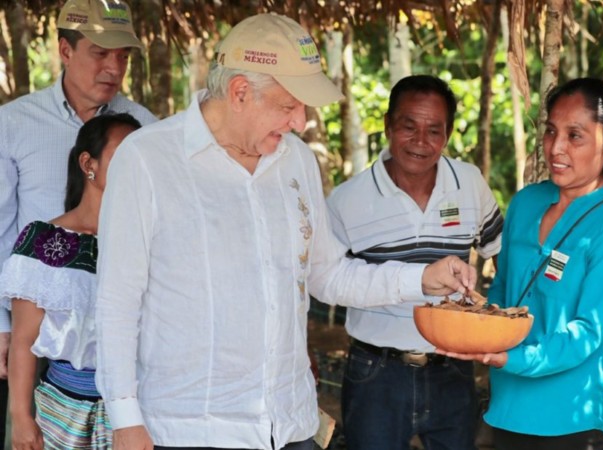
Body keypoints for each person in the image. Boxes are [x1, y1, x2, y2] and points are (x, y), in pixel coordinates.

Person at [94, 13, 476, 450]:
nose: (301, 122)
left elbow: (328, 275)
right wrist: (125, 419)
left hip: (289, 425)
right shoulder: (147, 159)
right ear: (240, 92)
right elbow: (117, 301)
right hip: (191, 428)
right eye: (289, 105)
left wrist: (420, 279)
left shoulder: (295, 160)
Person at [441, 77, 603, 450]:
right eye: (551, 131)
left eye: (575, 136)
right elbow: (503, 291)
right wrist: (469, 320)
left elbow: (589, 330)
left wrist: (513, 358)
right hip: (504, 409)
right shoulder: (527, 202)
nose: (556, 147)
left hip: (569, 420)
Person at [0, 0, 157, 428]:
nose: (113, 68)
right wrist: (1, 322)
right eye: (100, 53)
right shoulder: (14, 123)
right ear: (65, 51)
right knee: (27, 430)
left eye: (122, 57)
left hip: (122, 347)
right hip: (32, 336)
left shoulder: (148, 131)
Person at [325, 74, 503, 450]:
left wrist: (499, 321)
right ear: (388, 124)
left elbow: (499, 253)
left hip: (452, 368)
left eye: (434, 131)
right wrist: (418, 278)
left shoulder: (469, 183)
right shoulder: (347, 200)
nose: (421, 142)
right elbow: (327, 280)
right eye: (409, 127)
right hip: (376, 373)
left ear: (449, 133)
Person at [1, 113, 141, 449]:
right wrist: (21, 417)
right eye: (125, 153)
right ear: (87, 163)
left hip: (138, 412)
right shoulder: (41, 242)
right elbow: (23, 342)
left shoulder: (150, 242)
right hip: (60, 413)